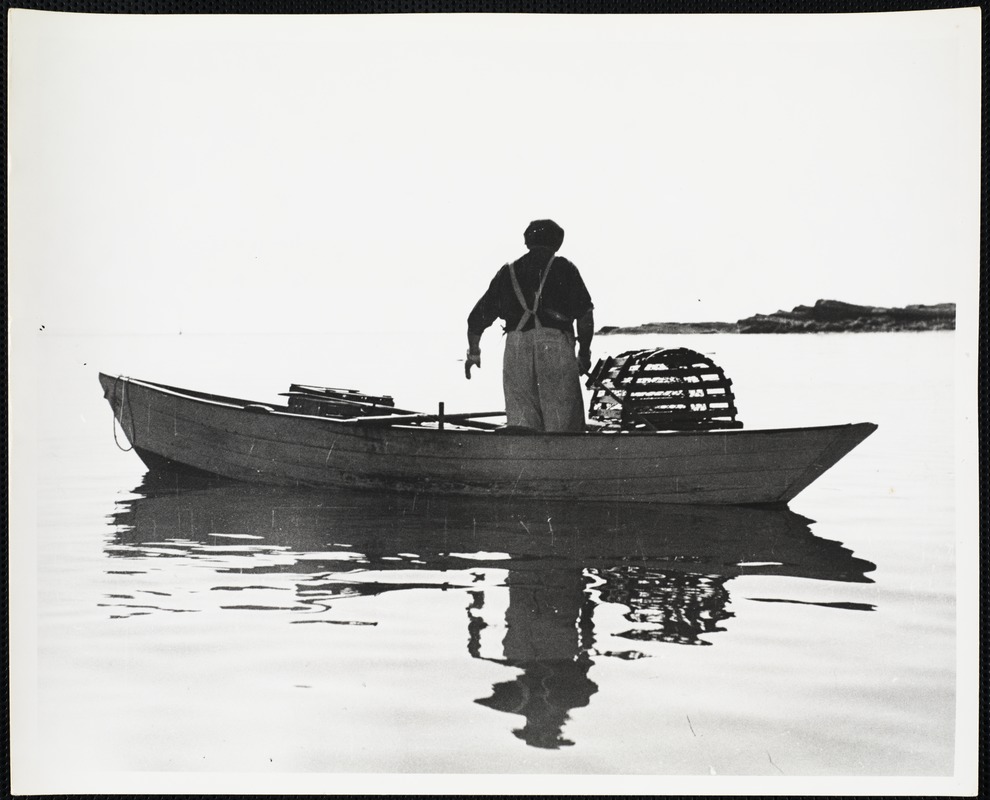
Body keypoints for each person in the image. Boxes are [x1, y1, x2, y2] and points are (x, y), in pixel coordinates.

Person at [465, 219, 594, 432]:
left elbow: (476, 319)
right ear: (557, 243)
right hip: (556, 347)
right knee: (563, 425)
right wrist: (584, 354)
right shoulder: (564, 268)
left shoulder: (507, 272)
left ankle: (529, 462)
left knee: (521, 424)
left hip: (516, 348)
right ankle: (565, 463)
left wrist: (474, 354)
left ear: (527, 242)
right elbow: (585, 317)